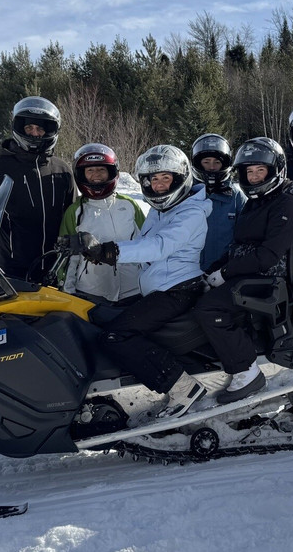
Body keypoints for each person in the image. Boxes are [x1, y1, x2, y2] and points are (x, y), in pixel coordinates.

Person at [76, 144, 216, 419]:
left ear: (180, 179)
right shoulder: (161, 210)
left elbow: (159, 246)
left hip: (177, 291)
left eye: (166, 178)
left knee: (116, 336)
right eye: (153, 179)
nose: (160, 185)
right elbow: (142, 243)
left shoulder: (191, 213)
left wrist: (110, 251)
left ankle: (183, 388)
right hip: (161, 288)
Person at [193, 137, 293, 404]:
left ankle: (246, 371)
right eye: (249, 172)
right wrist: (213, 269)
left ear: (275, 170)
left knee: (209, 309)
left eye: (260, 171)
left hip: (268, 279)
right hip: (249, 274)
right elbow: (238, 245)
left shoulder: (284, 203)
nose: (254, 178)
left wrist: (226, 272)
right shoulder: (256, 201)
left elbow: (268, 255)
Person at [0, 96, 75, 280]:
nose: (34, 134)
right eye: (29, 128)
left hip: (57, 270)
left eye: (40, 129)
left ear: (50, 131)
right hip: (12, 272)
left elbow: (73, 217)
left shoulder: (62, 170)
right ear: (19, 128)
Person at [58, 143, 145, 301]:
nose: (96, 174)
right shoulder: (75, 211)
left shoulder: (129, 205)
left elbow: (147, 244)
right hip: (91, 292)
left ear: (111, 172)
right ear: (82, 174)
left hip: (133, 289)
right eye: (90, 170)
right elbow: (69, 256)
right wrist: (68, 291)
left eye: (101, 169)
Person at [191, 133, 247, 272]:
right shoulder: (187, 195)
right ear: (198, 163)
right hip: (188, 271)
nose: (211, 167)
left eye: (217, 162)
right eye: (206, 162)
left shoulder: (236, 196)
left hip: (222, 272)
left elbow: (247, 235)